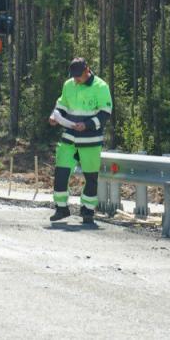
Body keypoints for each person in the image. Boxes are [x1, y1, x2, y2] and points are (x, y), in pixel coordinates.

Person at [48, 57, 113, 223]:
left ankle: (87, 211)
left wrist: (87, 125)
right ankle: (61, 208)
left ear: (87, 70)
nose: (76, 79)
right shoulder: (68, 84)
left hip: (91, 140)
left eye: (79, 76)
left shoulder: (101, 86)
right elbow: (61, 105)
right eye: (74, 76)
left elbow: (105, 113)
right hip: (69, 137)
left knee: (91, 177)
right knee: (61, 173)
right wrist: (54, 116)